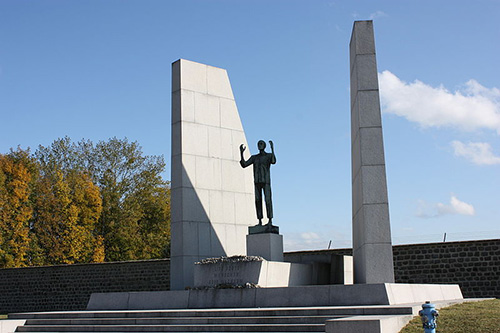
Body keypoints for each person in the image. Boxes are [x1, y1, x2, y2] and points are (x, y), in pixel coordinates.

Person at [240, 140, 276, 225]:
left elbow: (274, 161)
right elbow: (244, 164)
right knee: (257, 200)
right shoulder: (254, 157)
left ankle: (270, 220)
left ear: (264, 146)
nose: (259, 146)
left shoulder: (268, 156)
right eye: (258, 144)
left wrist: (273, 149)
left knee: (268, 200)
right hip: (257, 182)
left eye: (261, 144)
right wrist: (241, 153)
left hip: (266, 182)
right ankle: (259, 220)